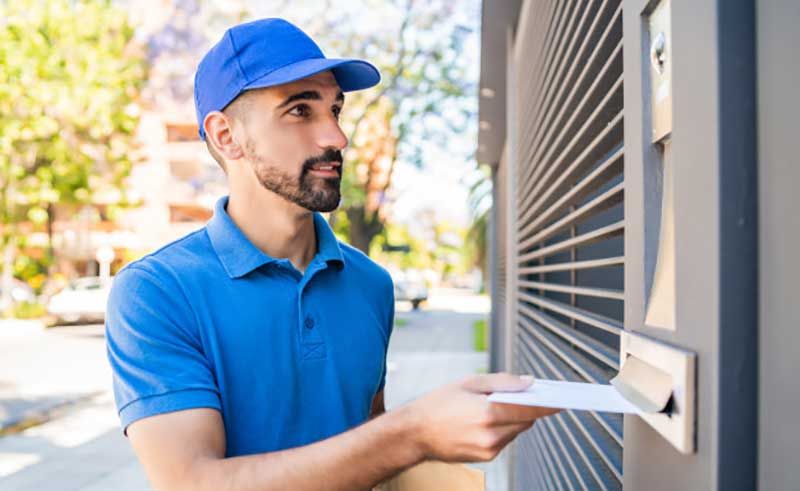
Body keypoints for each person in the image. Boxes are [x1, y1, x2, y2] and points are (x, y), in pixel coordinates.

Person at [105, 18, 557, 491]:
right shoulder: (155, 292)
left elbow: (366, 445)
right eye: (301, 111)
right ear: (225, 136)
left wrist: (433, 444)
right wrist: (415, 432)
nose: (336, 138)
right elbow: (193, 482)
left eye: (335, 110)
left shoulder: (372, 284)